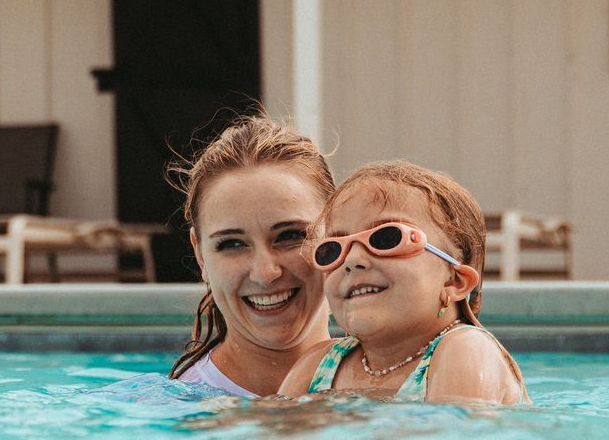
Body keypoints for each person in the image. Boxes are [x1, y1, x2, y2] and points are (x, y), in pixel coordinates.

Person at [279, 162, 527, 406]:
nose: (352, 260)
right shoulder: (317, 366)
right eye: (332, 250)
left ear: (455, 281)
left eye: (386, 238)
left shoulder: (465, 350)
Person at [169, 116, 336, 397]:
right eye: (232, 243)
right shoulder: (179, 415)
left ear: (335, 233)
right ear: (200, 255)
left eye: (290, 236)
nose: (265, 272)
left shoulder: (410, 378)